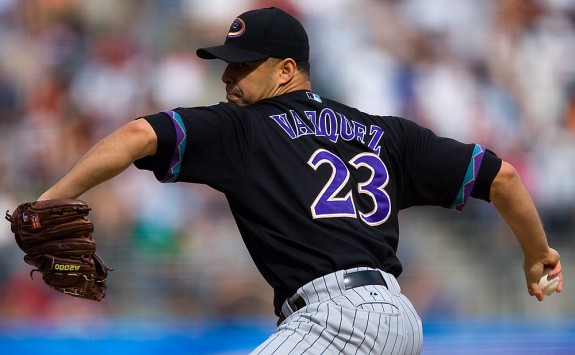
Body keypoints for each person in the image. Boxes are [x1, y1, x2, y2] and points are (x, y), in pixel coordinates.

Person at [36, 7, 562, 354]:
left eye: (242, 66)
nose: (227, 77)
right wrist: (536, 254)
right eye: (226, 65)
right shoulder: (386, 133)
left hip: (337, 319)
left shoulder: (245, 128)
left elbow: (136, 133)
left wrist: (51, 198)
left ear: (286, 70)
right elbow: (504, 177)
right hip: (396, 318)